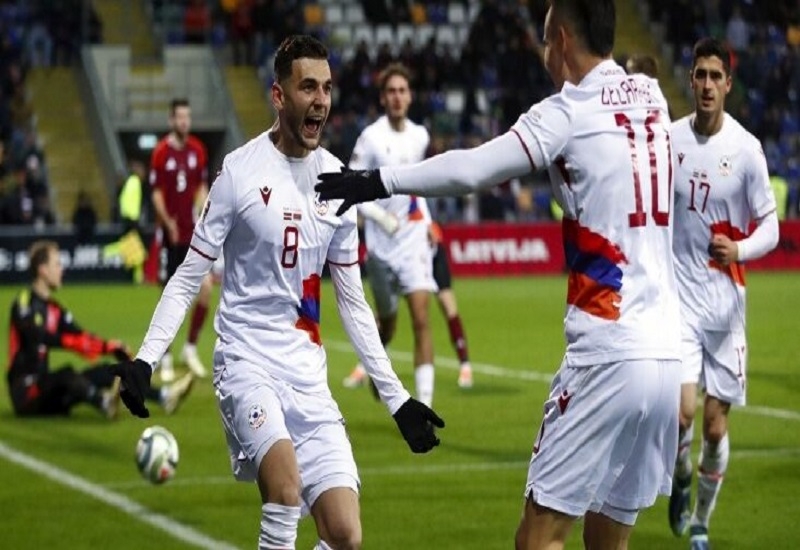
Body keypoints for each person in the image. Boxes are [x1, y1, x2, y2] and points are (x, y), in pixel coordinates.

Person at [316, 1, 682, 548]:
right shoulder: (651, 95)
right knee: (609, 541)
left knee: (538, 540)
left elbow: (473, 169)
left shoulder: (565, 112)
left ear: (562, 39)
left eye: (545, 40)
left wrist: (378, 181)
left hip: (607, 352)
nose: (543, 54)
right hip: (668, 357)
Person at [110, 35, 444, 550]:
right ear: (279, 95)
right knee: (285, 492)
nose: (321, 100)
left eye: (327, 88)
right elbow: (189, 274)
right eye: (308, 86)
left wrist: (398, 399)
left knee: (345, 534)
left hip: (307, 376)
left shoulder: (337, 182)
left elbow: (352, 302)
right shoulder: (239, 172)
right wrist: (147, 358)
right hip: (246, 362)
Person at [667, 38, 779, 550]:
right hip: (680, 305)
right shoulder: (670, 140)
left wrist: (740, 249)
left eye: (716, 76)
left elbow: (771, 226)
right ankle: (679, 477)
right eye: (701, 75)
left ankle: (701, 520)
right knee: (681, 413)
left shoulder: (746, 149)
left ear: (728, 84)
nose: (708, 85)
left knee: (714, 429)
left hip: (727, 309)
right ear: (690, 80)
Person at [340, 63, 439, 407]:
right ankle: (377, 367)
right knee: (388, 324)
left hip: (413, 238)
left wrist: (427, 221)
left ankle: (424, 406)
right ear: (383, 98)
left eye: (402, 91)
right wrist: (380, 217)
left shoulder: (420, 136)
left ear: (410, 97)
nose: (397, 97)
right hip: (381, 245)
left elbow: (419, 187)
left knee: (421, 319)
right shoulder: (371, 138)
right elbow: (350, 187)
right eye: (391, 91)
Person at [7, 241, 193, 418]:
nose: (61, 269)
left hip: (47, 389)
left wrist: (110, 347)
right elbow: (37, 336)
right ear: (43, 270)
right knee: (67, 375)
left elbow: (79, 335)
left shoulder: (54, 309)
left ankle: (164, 396)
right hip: (26, 394)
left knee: (107, 371)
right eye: (56, 264)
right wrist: (73, 343)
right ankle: (104, 403)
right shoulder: (24, 303)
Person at [149, 97, 212, 380]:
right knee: (169, 296)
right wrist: (168, 222)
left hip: (192, 234)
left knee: (206, 288)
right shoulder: (161, 153)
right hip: (170, 235)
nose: (185, 121)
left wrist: (205, 214)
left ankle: (190, 348)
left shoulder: (197, 150)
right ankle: (164, 356)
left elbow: (200, 187)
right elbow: (156, 193)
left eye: (187, 116)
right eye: (180, 117)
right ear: (171, 120)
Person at [429, 221, 473, 388]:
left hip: (432, 252)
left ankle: (465, 365)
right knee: (387, 312)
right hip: (404, 254)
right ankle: (365, 367)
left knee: (448, 305)